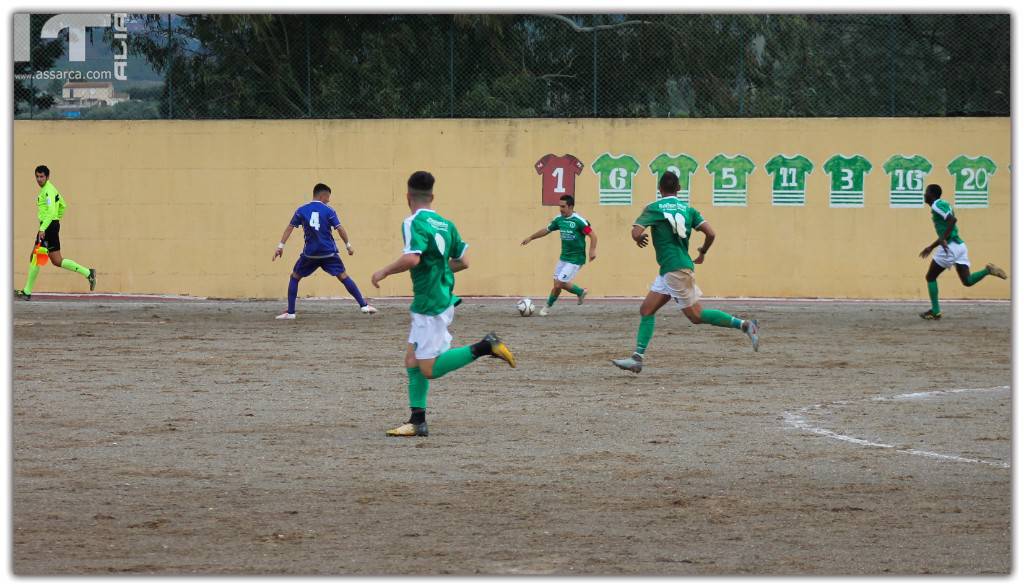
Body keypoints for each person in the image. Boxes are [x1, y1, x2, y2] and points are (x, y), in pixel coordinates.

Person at [371, 171, 516, 437]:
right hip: (438, 296)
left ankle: (486, 346)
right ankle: (417, 421)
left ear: (407, 196)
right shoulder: (446, 224)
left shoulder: (413, 221)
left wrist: (383, 272)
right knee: (412, 360)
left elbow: (412, 259)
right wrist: (439, 271)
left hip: (430, 302)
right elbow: (464, 261)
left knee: (429, 369)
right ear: (433, 196)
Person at [611, 171, 759, 374]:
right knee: (647, 310)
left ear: (659, 189)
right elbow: (711, 233)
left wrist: (638, 238)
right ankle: (637, 358)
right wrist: (703, 252)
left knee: (696, 316)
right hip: (672, 269)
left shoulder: (654, 208)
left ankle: (744, 325)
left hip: (674, 270)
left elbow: (636, 231)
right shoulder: (689, 210)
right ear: (679, 189)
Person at [272, 183, 376, 318]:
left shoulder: (301, 210)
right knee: (343, 276)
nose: (329, 200)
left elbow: (290, 227)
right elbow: (340, 228)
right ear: (322, 196)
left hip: (310, 254)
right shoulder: (329, 211)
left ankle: (291, 312)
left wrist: (280, 246)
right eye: (328, 197)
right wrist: (348, 245)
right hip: (328, 253)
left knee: (295, 277)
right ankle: (364, 306)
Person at [918, 183, 1006, 319]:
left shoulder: (936, 205)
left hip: (950, 247)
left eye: (926, 192)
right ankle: (988, 270)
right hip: (960, 246)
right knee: (967, 281)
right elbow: (949, 225)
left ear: (932, 195)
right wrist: (933, 245)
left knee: (930, 277)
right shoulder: (944, 204)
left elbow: (952, 220)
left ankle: (935, 310)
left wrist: (939, 241)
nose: (924, 195)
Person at [15, 165, 96, 300]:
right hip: (51, 226)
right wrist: (56, 220)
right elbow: (63, 205)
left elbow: (52, 211)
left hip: (47, 228)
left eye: (41, 177)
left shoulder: (48, 191)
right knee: (57, 260)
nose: (39, 179)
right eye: (37, 176)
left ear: (47, 177)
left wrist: (44, 227)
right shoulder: (51, 189)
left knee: (35, 256)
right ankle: (88, 273)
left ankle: (27, 292)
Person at [520, 194, 597, 315]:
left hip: (576, 259)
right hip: (564, 258)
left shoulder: (579, 221)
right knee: (556, 285)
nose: (560, 209)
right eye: (559, 206)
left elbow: (593, 235)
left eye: (563, 206)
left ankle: (580, 291)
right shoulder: (559, 220)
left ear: (570, 206)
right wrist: (531, 237)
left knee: (560, 283)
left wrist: (592, 250)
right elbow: (546, 230)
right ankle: (547, 307)